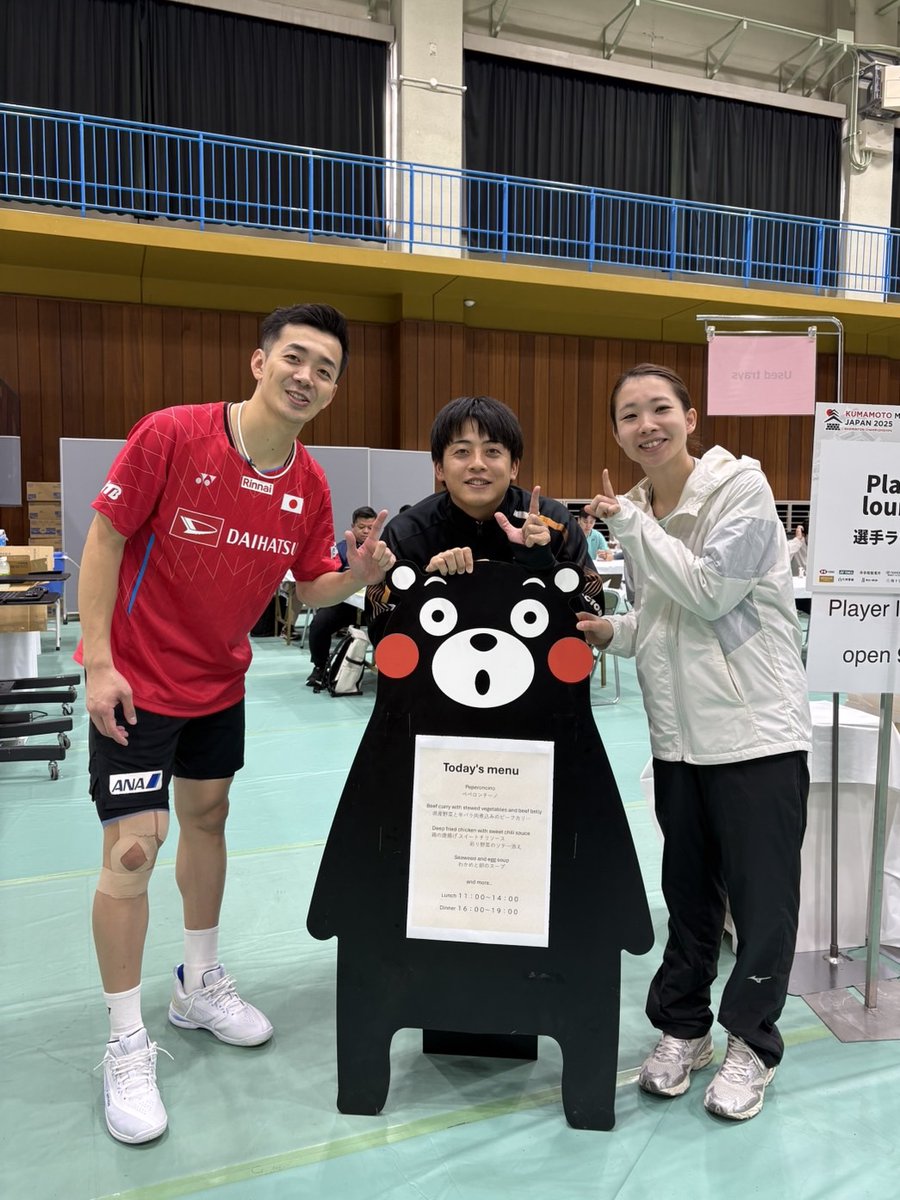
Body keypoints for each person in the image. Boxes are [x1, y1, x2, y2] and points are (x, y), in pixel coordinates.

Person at [77, 302, 395, 1145]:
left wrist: (356, 573)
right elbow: (105, 539)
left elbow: (308, 587)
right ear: (259, 363)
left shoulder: (310, 483)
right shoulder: (173, 436)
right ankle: (124, 1039)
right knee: (133, 851)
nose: (308, 377)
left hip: (220, 686)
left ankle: (198, 981)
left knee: (208, 821)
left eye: (326, 370)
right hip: (137, 686)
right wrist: (99, 660)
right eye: (296, 358)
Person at [577, 363, 810, 1122]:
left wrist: (632, 529)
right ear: (616, 431)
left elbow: (710, 589)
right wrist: (613, 631)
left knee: (762, 902)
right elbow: (667, 617)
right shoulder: (643, 507)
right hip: (679, 741)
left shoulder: (740, 491)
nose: (646, 425)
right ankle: (685, 1028)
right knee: (688, 897)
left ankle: (753, 1042)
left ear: (690, 415)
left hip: (754, 734)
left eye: (659, 410)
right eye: (630, 415)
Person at [369, 395, 604, 615]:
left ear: (514, 467)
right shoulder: (406, 533)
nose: (477, 464)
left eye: (492, 451)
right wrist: (429, 587)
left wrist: (543, 565)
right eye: (462, 451)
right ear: (439, 467)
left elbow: (594, 612)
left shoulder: (554, 522)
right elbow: (380, 626)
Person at [305, 505, 377, 690]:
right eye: (362, 527)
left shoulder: (381, 548)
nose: (366, 531)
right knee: (319, 624)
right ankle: (320, 667)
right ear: (352, 526)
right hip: (345, 604)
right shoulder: (340, 548)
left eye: (371, 527)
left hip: (374, 605)